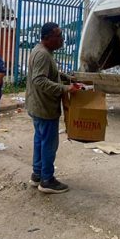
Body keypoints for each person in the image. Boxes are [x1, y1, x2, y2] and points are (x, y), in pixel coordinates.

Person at [26, 22, 79, 194]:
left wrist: (64, 77)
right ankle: (47, 180)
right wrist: (65, 88)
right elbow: (39, 80)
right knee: (48, 144)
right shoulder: (43, 54)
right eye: (59, 36)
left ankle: (37, 174)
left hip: (37, 106)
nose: (62, 39)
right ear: (48, 38)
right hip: (45, 107)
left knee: (40, 140)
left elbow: (49, 74)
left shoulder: (40, 50)